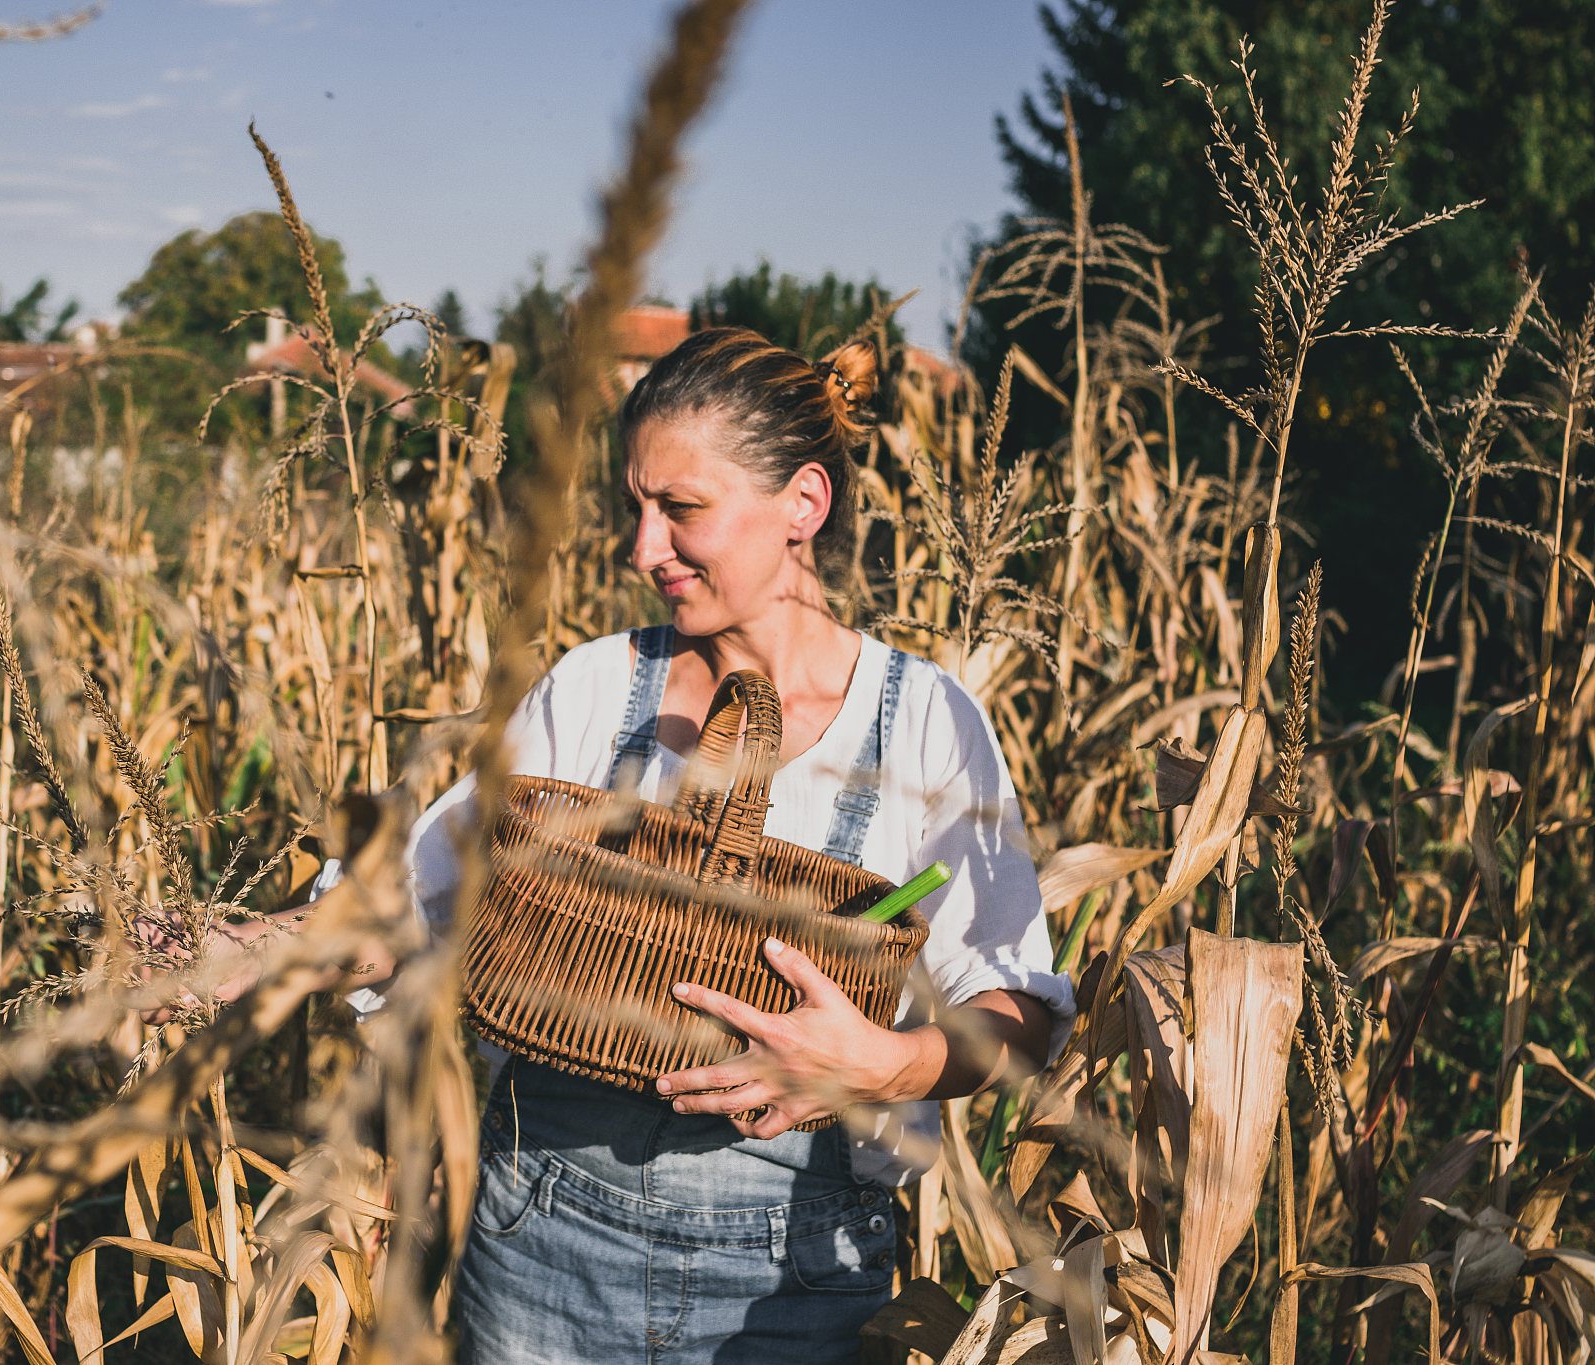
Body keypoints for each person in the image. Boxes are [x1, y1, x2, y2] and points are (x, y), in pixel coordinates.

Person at [157, 327, 1074, 1364]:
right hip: (541, 1237)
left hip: (792, 1279)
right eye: (635, 507)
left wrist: (886, 1062)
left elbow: (1013, 1008)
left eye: (680, 509)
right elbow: (415, 901)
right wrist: (260, 944)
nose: (643, 549)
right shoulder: (598, 688)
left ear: (803, 504)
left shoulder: (925, 724)